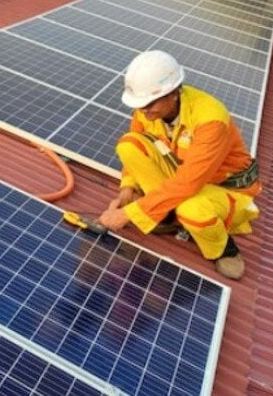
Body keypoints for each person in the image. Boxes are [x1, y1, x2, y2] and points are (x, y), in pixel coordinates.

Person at [97, 50, 261, 280]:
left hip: (224, 189)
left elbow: (188, 182)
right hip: (183, 176)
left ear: (173, 93)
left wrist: (128, 214)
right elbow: (136, 153)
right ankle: (164, 217)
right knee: (128, 145)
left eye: (149, 102)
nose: (143, 109)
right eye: (139, 103)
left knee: (191, 209)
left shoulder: (210, 119)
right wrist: (128, 189)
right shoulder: (146, 112)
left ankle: (223, 249)